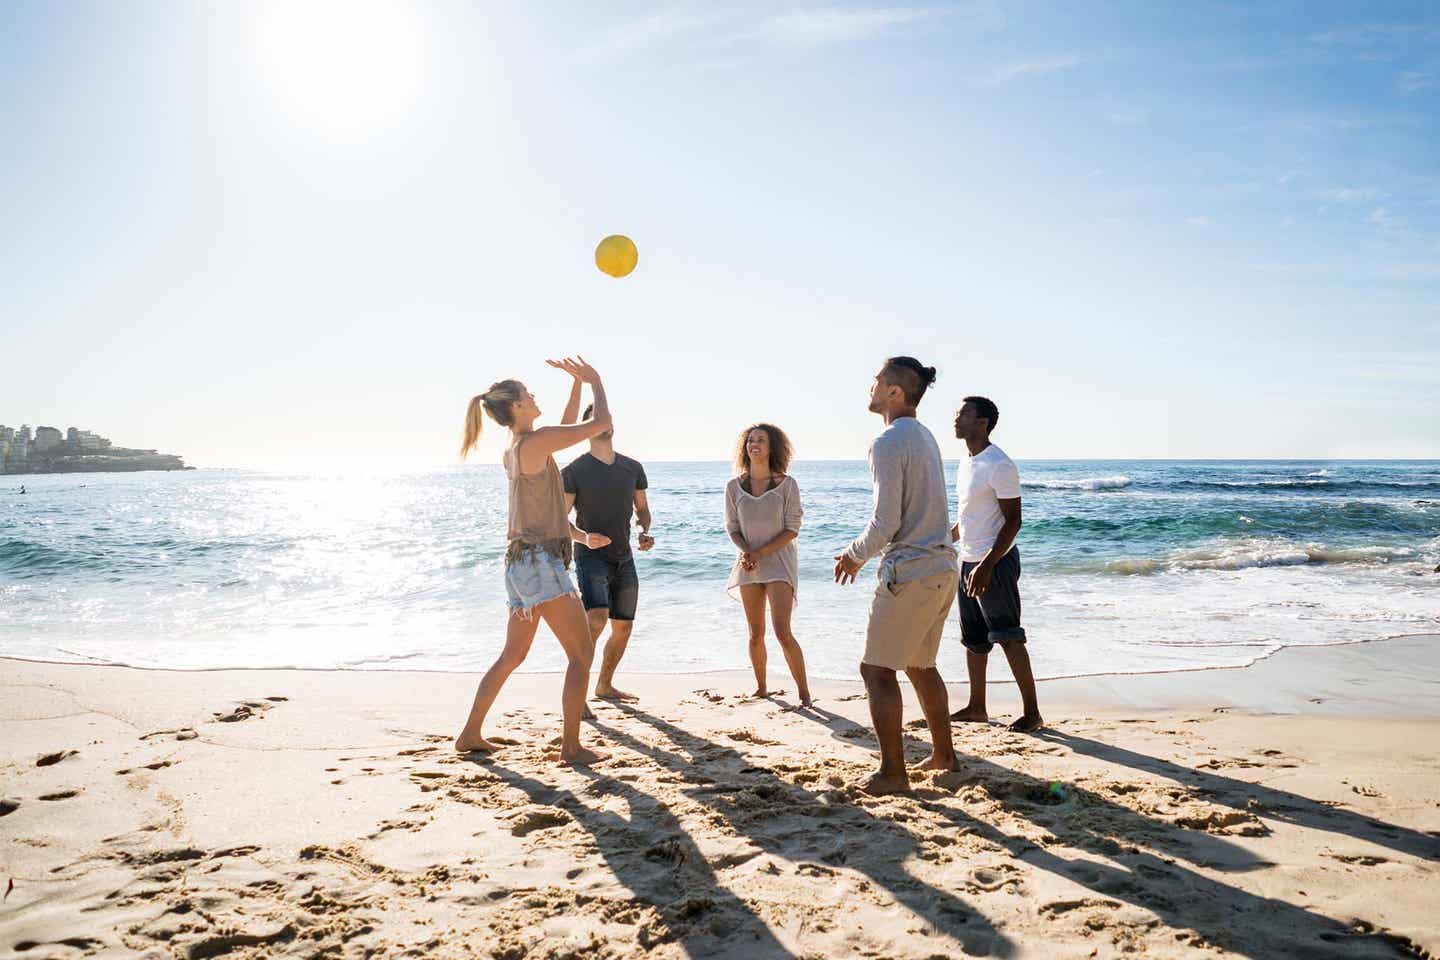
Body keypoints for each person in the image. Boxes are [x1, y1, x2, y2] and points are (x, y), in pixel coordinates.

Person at [453, 356, 612, 766]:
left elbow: (561, 435)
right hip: (540, 564)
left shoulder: (520, 446)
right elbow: (595, 426)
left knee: (512, 655)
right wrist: (595, 381)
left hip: (520, 563)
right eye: (528, 393)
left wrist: (579, 536)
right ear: (517, 406)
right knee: (581, 655)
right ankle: (571, 747)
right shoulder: (535, 444)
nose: (534, 395)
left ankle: (470, 734)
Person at [834, 357, 961, 795]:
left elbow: (885, 520)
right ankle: (944, 755)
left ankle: (893, 773)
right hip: (942, 566)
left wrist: (853, 556)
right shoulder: (925, 437)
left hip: (911, 570)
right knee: (920, 665)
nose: (869, 386)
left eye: (876, 381)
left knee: (876, 671)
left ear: (894, 392)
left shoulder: (888, 441)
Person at [948, 396, 1044, 732]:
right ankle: (977, 707)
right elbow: (969, 515)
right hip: (968, 561)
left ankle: (1033, 713)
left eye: (964, 414)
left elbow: (1013, 521)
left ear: (983, 422)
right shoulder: (966, 462)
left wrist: (988, 564)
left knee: (1008, 636)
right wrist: (946, 541)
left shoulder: (999, 464)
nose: (956, 418)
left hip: (995, 563)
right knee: (974, 639)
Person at [563, 402, 655, 703]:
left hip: (624, 557)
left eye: (607, 418)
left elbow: (642, 510)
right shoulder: (575, 470)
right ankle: (577, 691)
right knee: (597, 618)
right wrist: (584, 538)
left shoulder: (632, 468)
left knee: (624, 626)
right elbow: (560, 520)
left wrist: (643, 531)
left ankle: (604, 685)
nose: (605, 423)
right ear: (586, 427)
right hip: (590, 557)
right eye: (596, 419)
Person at [724, 423, 812, 706]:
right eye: (750, 440)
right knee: (755, 633)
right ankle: (761, 687)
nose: (754, 444)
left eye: (761, 440)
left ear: (772, 447)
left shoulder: (787, 485)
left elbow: (792, 529)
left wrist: (759, 553)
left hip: (779, 564)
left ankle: (804, 693)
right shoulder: (733, 487)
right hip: (748, 563)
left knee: (782, 631)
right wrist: (747, 552)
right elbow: (732, 527)